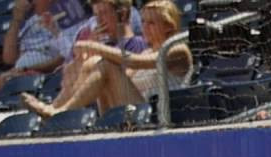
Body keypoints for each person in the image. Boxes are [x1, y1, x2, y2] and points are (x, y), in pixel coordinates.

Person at [22, 0, 193, 118]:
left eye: (151, 23)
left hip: (157, 115)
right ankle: (55, 109)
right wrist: (83, 59)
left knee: (104, 65)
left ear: (168, 26)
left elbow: (132, 61)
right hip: (131, 111)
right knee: (93, 64)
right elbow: (118, 78)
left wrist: (95, 47)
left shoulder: (176, 48)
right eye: (143, 22)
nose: (145, 27)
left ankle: (60, 113)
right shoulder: (146, 51)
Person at [0, 0, 63, 97]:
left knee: (9, 79)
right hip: (15, 75)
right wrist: (16, 19)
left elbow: (62, 59)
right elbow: (9, 59)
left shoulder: (65, 18)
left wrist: (27, 69)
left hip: (43, 77)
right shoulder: (28, 22)